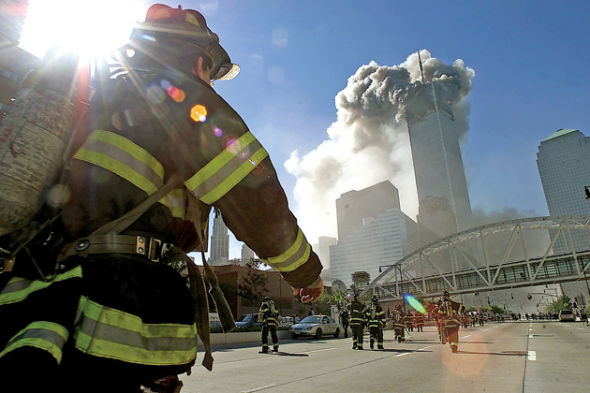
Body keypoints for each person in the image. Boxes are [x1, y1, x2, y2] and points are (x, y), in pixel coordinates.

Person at [0, 4, 323, 392]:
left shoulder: (98, 96)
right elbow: (258, 204)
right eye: (211, 70)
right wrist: (306, 273)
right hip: (113, 306)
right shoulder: (185, 101)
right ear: (199, 57)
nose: (212, 82)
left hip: (41, 298)